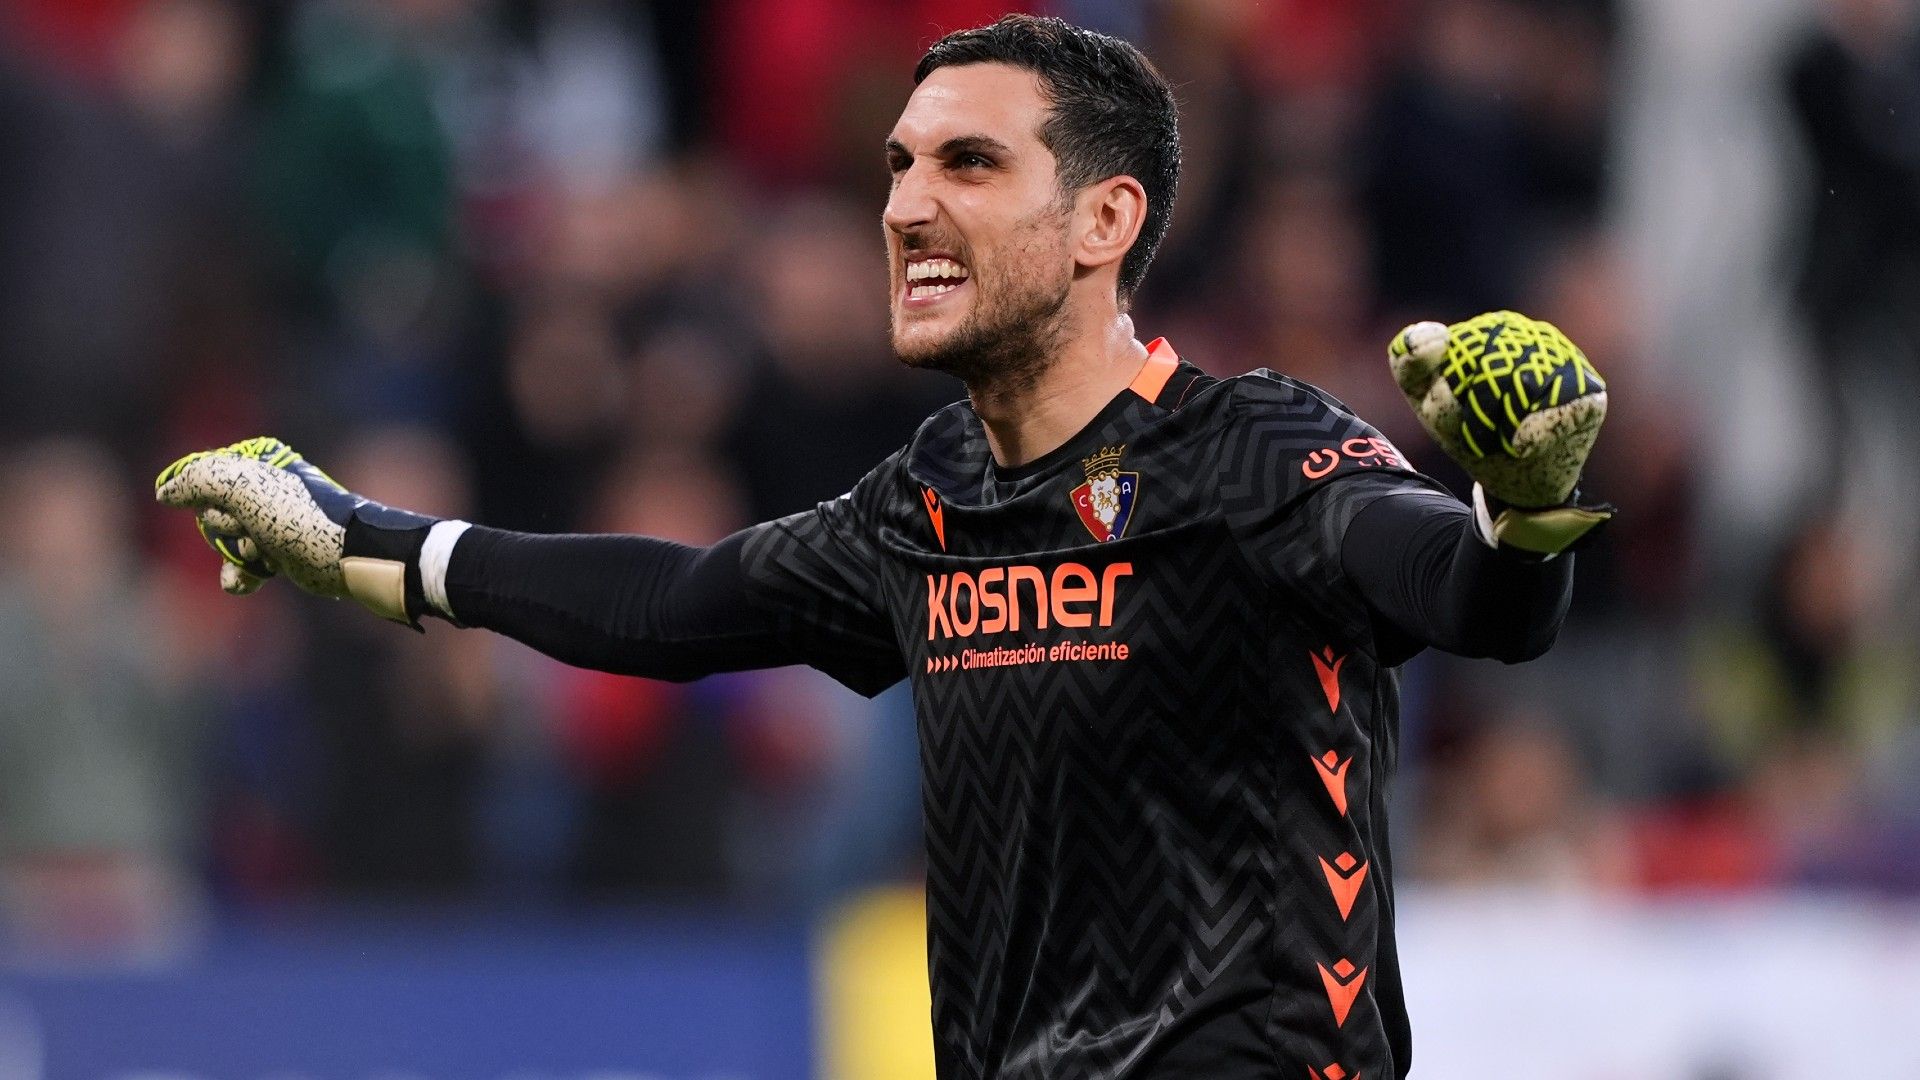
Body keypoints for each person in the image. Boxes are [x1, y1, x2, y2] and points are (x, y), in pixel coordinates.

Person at [155, 15, 1611, 1079]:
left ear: (1107, 219)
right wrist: (358, 539)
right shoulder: (928, 501)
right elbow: (673, 602)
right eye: (902, 164)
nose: (906, 204)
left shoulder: (1259, 452)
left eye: (969, 164)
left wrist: (1528, 503)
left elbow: (1477, 599)